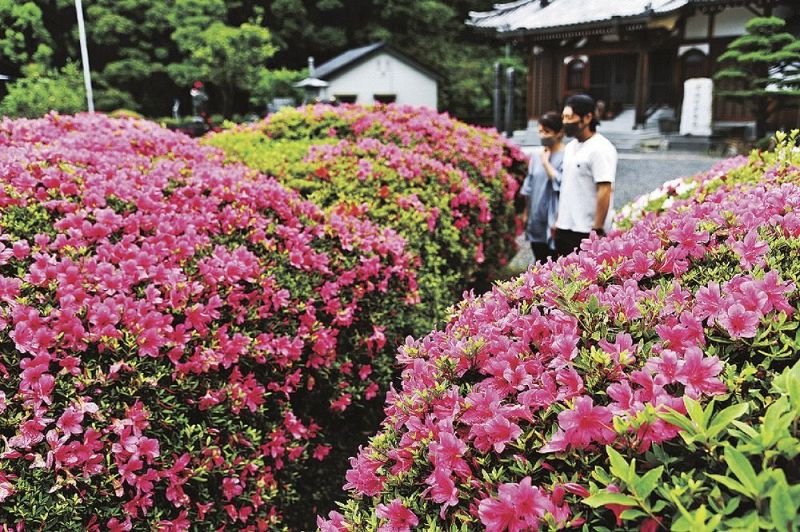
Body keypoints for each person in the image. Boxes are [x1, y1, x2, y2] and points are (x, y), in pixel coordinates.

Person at [554, 93, 618, 256]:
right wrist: (558, 220)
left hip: (586, 230)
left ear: (588, 117)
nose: (565, 122)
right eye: (563, 117)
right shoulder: (570, 147)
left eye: (569, 117)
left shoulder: (600, 148)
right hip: (565, 226)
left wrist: (597, 229)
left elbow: (604, 189)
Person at [520, 111, 564, 262]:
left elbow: (562, 183)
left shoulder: (567, 155)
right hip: (537, 214)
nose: (543, 135)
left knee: (554, 259)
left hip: (555, 216)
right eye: (540, 131)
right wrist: (526, 212)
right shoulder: (535, 155)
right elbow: (529, 184)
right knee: (538, 256)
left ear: (559, 133)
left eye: (547, 131)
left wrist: (546, 163)